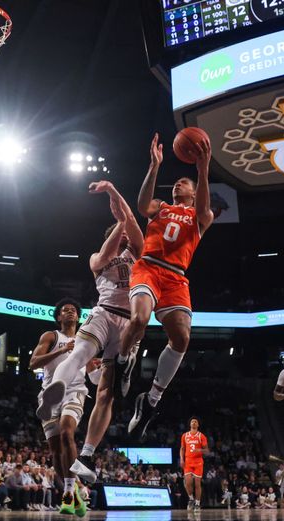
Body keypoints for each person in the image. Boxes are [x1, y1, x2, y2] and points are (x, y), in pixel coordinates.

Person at [35, 180, 144, 491]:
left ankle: (87, 454)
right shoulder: (98, 257)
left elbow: (134, 223)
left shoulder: (138, 251)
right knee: (80, 352)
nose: (123, 236)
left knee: (107, 393)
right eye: (118, 234)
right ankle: (55, 389)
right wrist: (119, 223)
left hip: (130, 324)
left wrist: (113, 192)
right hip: (104, 313)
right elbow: (112, 244)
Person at [120, 132, 214, 439]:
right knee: (139, 318)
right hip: (149, 267)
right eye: (177, 183)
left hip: (176, 277)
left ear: (194, 190)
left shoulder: (201, 217)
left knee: (182, 338)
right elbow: (142, 203)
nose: (179, 184)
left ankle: (151, 401)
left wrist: (202, 169)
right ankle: (123, 364)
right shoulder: (160, 206)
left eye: (185, 183)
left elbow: (203, 209)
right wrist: (154, 166)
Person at [29, 299, 100, 516]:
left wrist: (97, 369)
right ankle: (74, 491)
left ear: (78, 317)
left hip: (75, 390)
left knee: (67, 433)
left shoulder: (86, 340)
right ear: (59, 317)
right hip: (50, 393)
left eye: (73, 310)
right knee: (56, 450)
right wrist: (61, 351)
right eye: (64, 310)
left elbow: (92, 376)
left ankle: (69, 492)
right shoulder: (51, 336)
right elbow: (33, 363)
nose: (69, 312)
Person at [180, 416, 209, 511]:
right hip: (188, 462)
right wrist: (181, 459)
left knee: (197, 484)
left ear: (198, 425)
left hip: (198, 462)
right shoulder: (185, 435)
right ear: (190, 424)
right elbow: (182, 448)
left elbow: (207, 451)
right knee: (187, 483)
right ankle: (191, 499)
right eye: (192, 421)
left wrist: (199, 450)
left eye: (195, 422)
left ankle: (197, 503)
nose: (194, 423)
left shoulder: (201, 436)